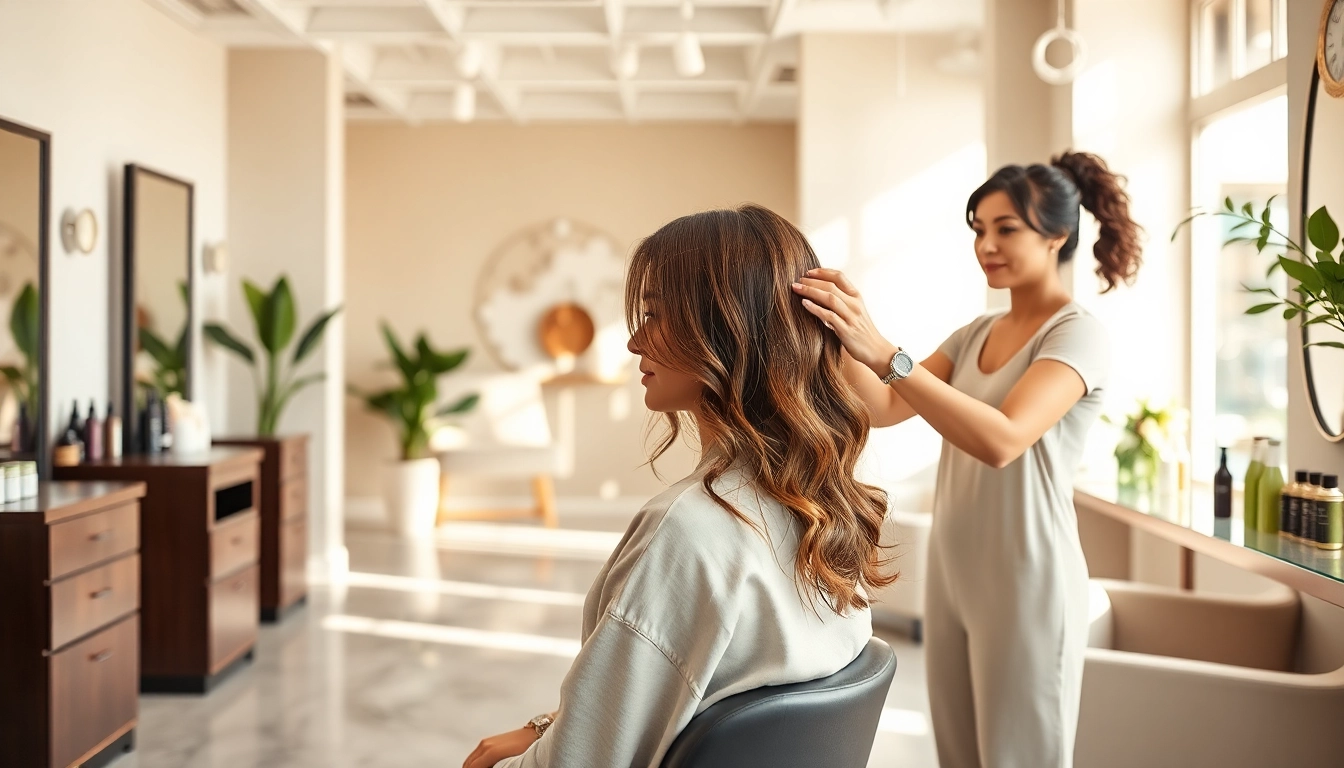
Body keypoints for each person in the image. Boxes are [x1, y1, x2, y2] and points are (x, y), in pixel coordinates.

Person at [464, 204, 895, 768]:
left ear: (725, 328)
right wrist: (546, 726)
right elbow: (702, 699)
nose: (634, 342)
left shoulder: (692, 530)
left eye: (657, 315)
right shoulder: (819, 503)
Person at [791, 151, 1142, 768]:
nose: (987, 244)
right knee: (957, 755)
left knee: (1020, 759)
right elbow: (882, 407)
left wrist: (887, 352)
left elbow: (1004, 439)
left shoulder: (1076, 333)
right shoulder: (974, 333)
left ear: (1057, 234)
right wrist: (842, 326)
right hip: (954, 571)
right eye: (979, 229)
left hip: (1027, 579)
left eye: (1007, 228)